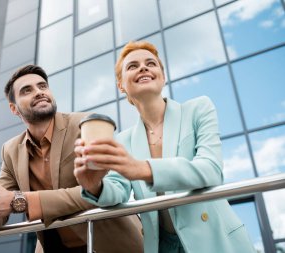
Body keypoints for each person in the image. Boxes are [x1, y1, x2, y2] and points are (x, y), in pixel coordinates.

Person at [73, 41, 255, 253]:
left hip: (215, 240)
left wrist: (142, 169)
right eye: (132, 66)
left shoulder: (198, 109)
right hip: (163, 246)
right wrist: (94, 185)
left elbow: (211, 169)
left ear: (162, 76)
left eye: (151, 63)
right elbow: (117, 191)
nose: (143, 67)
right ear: (121, 85)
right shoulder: (124, 140)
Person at [0, 64, 143, 253]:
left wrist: (21, 201)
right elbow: (2, 207)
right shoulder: (10, 150)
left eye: (42, 86)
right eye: (26, 90)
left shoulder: (86, 125)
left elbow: (109, 190)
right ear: (14, 109)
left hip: (108, 244)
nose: (39, 92)